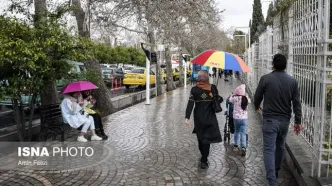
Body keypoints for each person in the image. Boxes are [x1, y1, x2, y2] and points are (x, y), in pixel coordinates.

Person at [254, 53, 302, 186]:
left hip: (269, 120)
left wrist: (256, 106)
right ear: (285, 65)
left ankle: (272, 181)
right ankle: (275, 170)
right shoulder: (292, 81)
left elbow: (257, 96)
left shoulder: (265, 79)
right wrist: (298, 121)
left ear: (273, 64)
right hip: (284, 121)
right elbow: (297, 103)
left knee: (269, 149)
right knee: (280, 147)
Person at [185, 70, 223, 169]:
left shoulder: (194, 90)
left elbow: (190, 103)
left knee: (201, 138)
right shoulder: (213, 88)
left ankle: (203, 157)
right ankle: (204, 159)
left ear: (199, 78)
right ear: (207, 78)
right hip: (210, 118)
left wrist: (187, 117)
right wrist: (215, 97)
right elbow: (219, 100)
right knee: (207, 139)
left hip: (198, 118)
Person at [229, 84, 250, 156]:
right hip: (244, 118)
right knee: (243, 133)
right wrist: (246, 95)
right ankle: (243, 147)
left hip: (236, 118)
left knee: (236, 131)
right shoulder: (245, 98)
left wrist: (231, 95)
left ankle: (235, 145)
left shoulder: (234, 98)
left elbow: (230, 100)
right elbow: (249, 101)